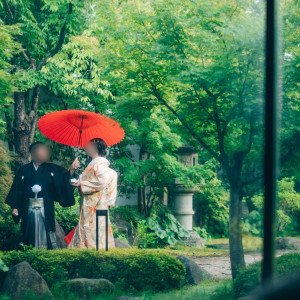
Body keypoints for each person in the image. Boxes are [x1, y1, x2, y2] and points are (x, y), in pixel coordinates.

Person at [5, 141, 79, 249]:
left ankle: (45, 253)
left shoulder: (52, 169)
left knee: (46, 231)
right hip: (28, 207)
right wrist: (15, 207)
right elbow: (17, 189)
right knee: (28, 231)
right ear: (32, 153)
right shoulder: (23, 170)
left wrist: (72, 170)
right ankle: (30, 251)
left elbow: (63, 180)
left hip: (45, 207)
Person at [68, 138, 118, 249]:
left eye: (88, 145)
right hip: (98, 205)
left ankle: (90, 256)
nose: (85, 146)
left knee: (92, 232)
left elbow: (101, 182)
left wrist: (81, 184)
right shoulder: (99, 165)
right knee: (96, 232)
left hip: (95, 206)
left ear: (95, 148)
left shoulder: (98, 165)